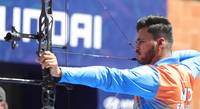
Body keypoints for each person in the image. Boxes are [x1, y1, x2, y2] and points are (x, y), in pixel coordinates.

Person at [36, 15, 200, 108]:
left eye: (141, 42)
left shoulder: (153, 77)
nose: (136, 48)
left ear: (160, 43)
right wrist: (170, 58)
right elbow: (196, 55)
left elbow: (106, 76)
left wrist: (60, 72)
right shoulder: (186, 71)